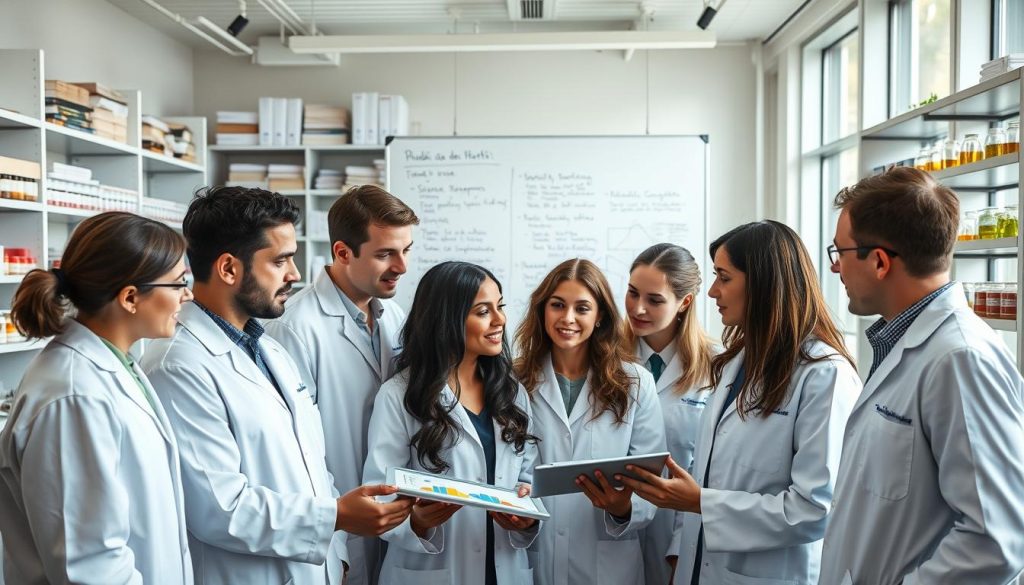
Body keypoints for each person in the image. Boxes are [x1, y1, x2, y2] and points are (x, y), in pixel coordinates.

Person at [141, 186, 413, 585]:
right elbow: (219, 508)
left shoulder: (266, 348)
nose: (295, 274)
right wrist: (335, 517)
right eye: (281, 260)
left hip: (315, 567)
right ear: (229, 269)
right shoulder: (178, 367)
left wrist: (335, 553)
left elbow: (312, 465)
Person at [619, 221, 861, 585]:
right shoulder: (736, 363)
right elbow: (708, 475)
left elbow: (815, 510)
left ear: (764, 284)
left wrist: (700, 502)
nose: (713, 291)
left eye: (724, 277)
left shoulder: (824, 375)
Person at [818, 167, 1024, 584]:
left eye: (840, 253)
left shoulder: (961, 359)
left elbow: (998, 539)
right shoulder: (904, 344)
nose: (836, 268)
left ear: (878, 262)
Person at [0, 212, 194, 584]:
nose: (187, 294)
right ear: (131, 297)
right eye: (178, 283)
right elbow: (90, 565)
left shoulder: (117, 364)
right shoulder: (73, 395)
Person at [265, 185, 419, 585]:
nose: (402, 266)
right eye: (386, 254)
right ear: (342, 252)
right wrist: (336, 545)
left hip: (394, 518)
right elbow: (296, 453)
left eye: (406, 251)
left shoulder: (393, 316)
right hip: (337, 527)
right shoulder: (294, 328)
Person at [362, 261, 540, 585]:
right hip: (431, 571)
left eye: (499, 306)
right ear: (447, 320)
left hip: (505, 568)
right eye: (483, 311)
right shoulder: (398, 396)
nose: (500, 320)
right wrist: (417, 521)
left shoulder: (511, 393)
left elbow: (528, 477)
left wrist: (525, 519)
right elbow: (380, 495)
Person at [514, 258, 666, 585]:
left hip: (609, 565)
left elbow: (652, 479)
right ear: (543, 311)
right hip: (535, 555)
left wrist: (623, 507)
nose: (567, 318)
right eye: (557, 305)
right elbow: (507, 469)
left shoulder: (635, 383)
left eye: (582, 308)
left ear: (599, 317)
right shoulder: (514, 380)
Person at [622, 243, 716, 585]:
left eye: (655, 299)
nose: (638, 308)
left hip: (681, 531)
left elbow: (706, 470)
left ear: (685, 302)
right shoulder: (606, 360)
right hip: (614, 527)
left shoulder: (717, 368)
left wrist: (680, 546)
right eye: (632, 293)